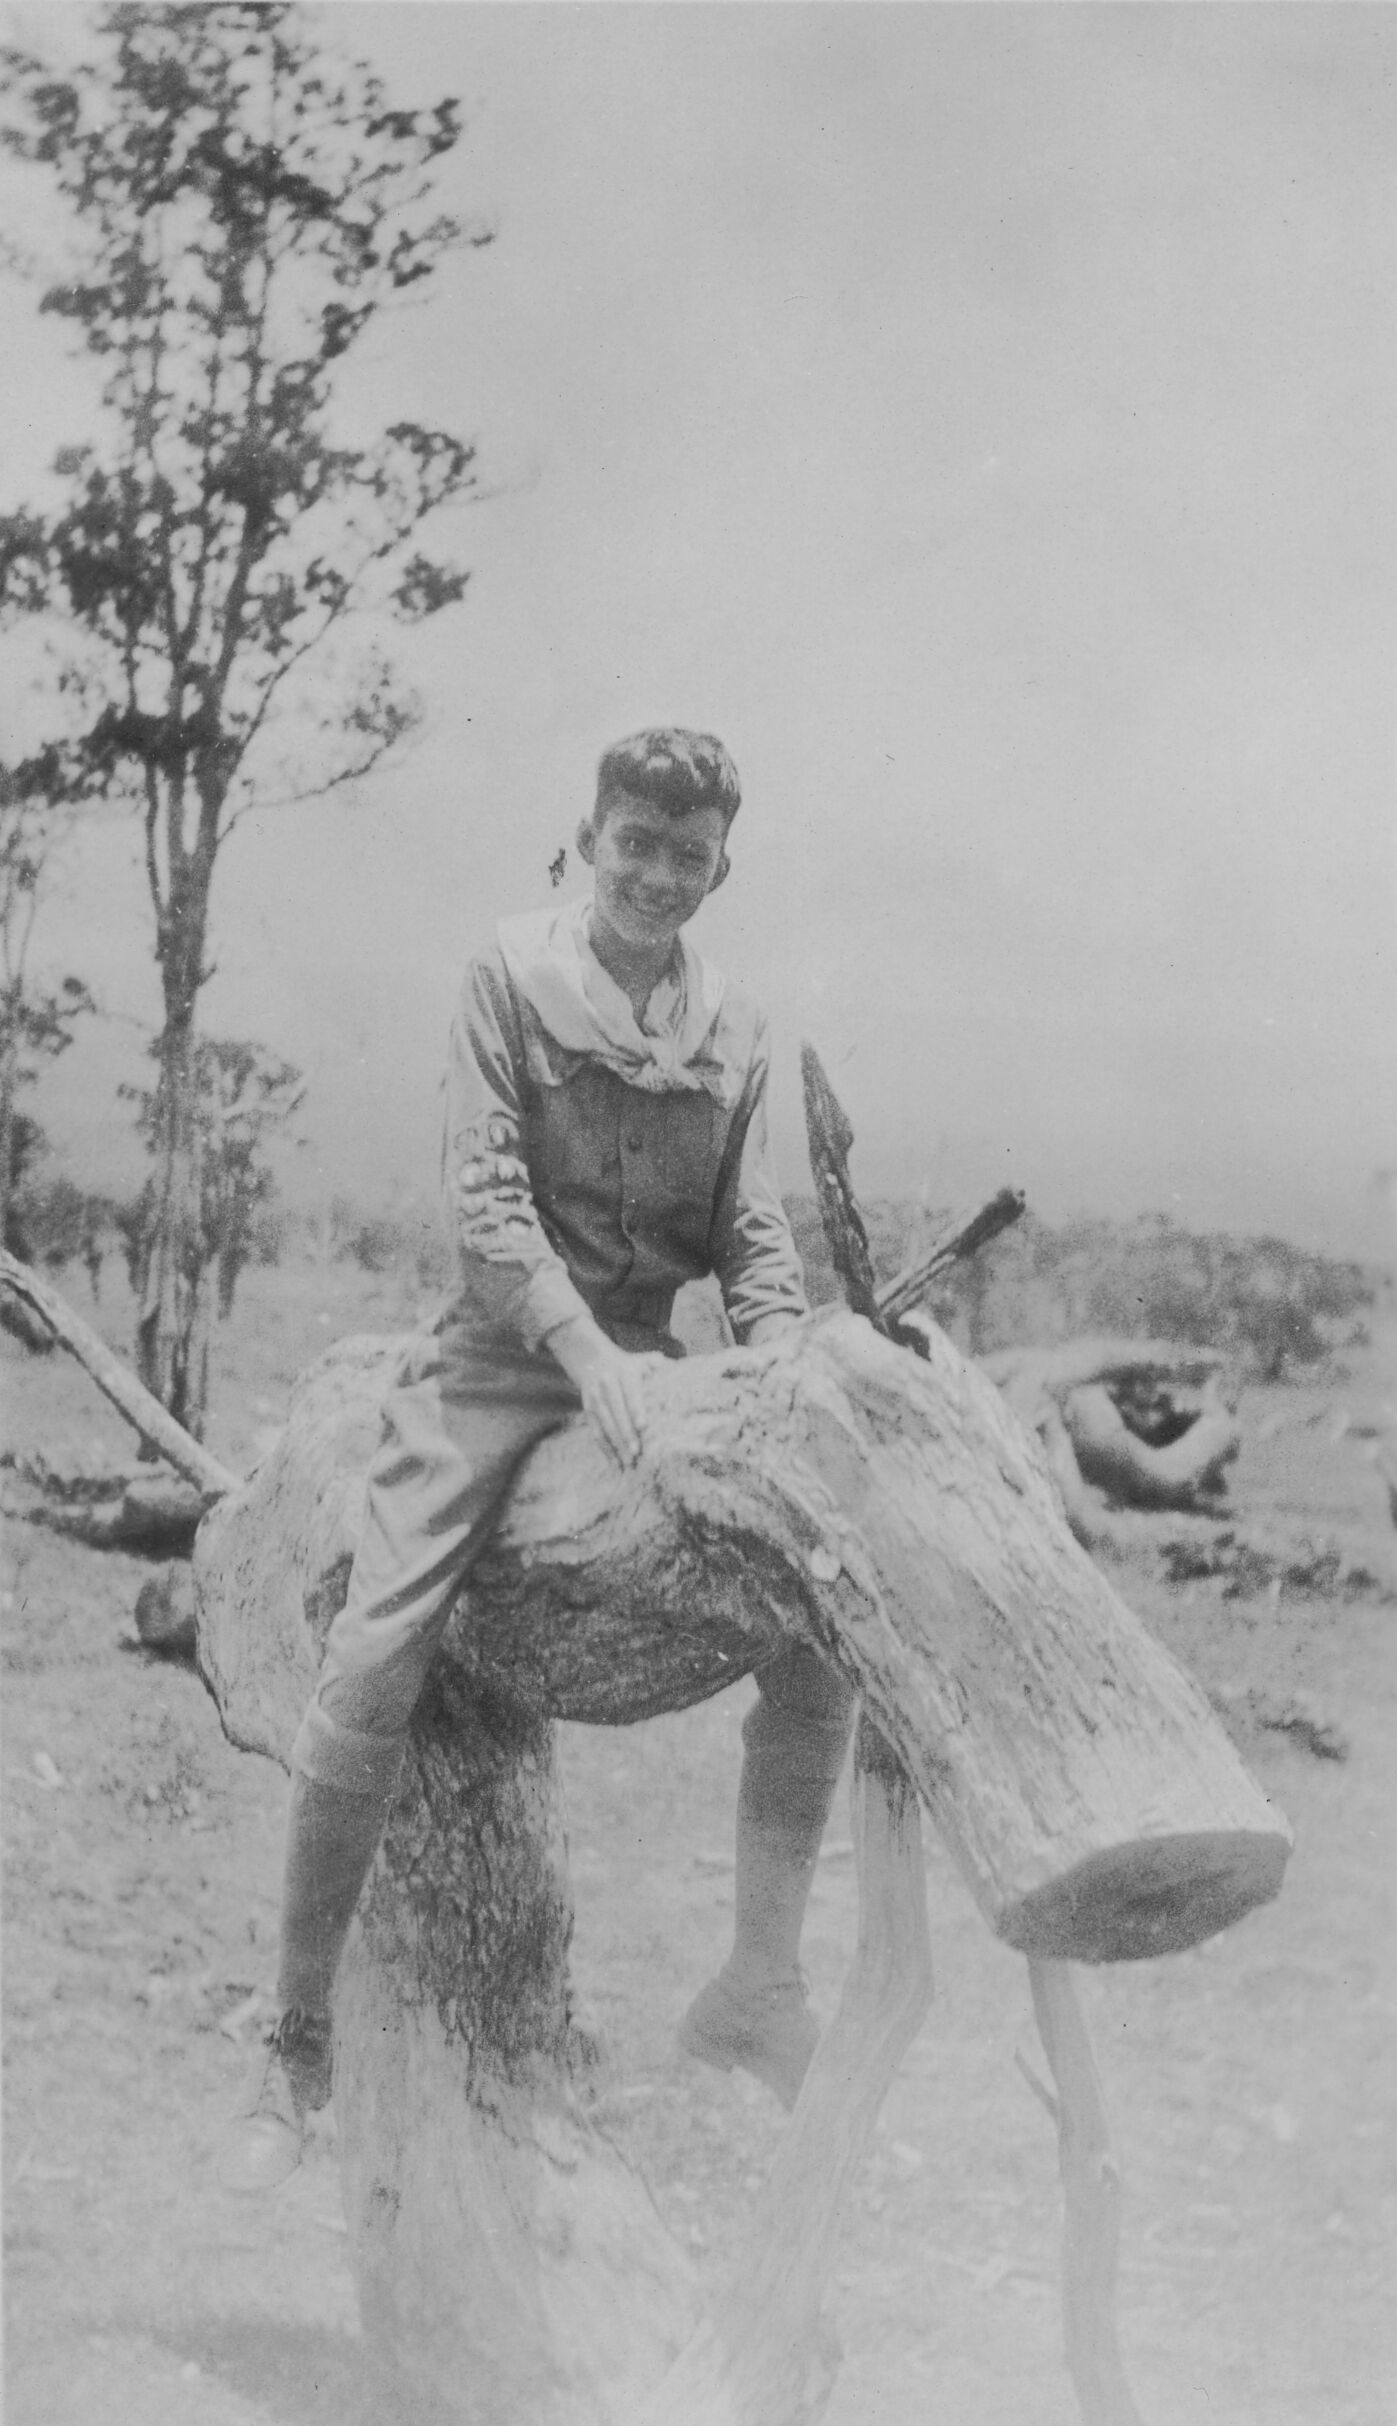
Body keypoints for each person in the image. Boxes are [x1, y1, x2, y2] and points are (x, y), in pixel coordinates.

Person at [221, 728, 856, 2192]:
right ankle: (293, 2033)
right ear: (589, 834)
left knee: (819, 1626)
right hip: (507, 1359)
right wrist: (592, 1363)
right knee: (375, 1656)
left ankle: (757, 1985)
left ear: (718, 869)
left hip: (655, 1375)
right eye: (633, 841)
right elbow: (489, 1214)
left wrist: (775, 1372)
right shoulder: (510, 976)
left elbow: (753, 1239)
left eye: (685, 855)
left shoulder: (735, 1025)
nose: (654, 873)